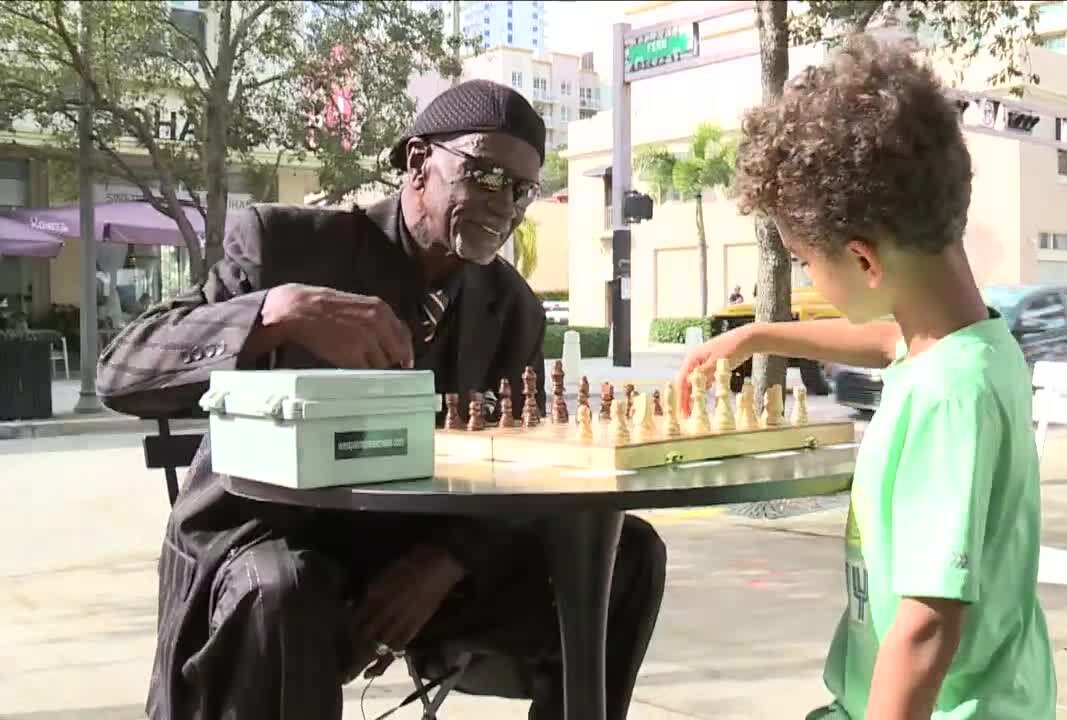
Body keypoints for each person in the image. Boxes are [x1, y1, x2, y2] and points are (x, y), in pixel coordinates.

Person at [98, 79, 666, 720]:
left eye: (521, 189)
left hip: (415, 560)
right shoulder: (286, 246)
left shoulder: (511, 309)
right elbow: (122, 370)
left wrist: (447, 559)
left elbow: (524, 461)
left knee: (628, 557)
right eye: (483, 176)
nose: (503, 206)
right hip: (271, 545)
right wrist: (274, 312)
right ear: (420, 163)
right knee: (288, 592)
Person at [676, 35, 1055, 720]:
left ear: (863, 260)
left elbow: (925, 626)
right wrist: (760, 333)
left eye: (802, 260)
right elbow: (888, 342)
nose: (804, 277)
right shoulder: (970, 344)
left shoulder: (947, 396)